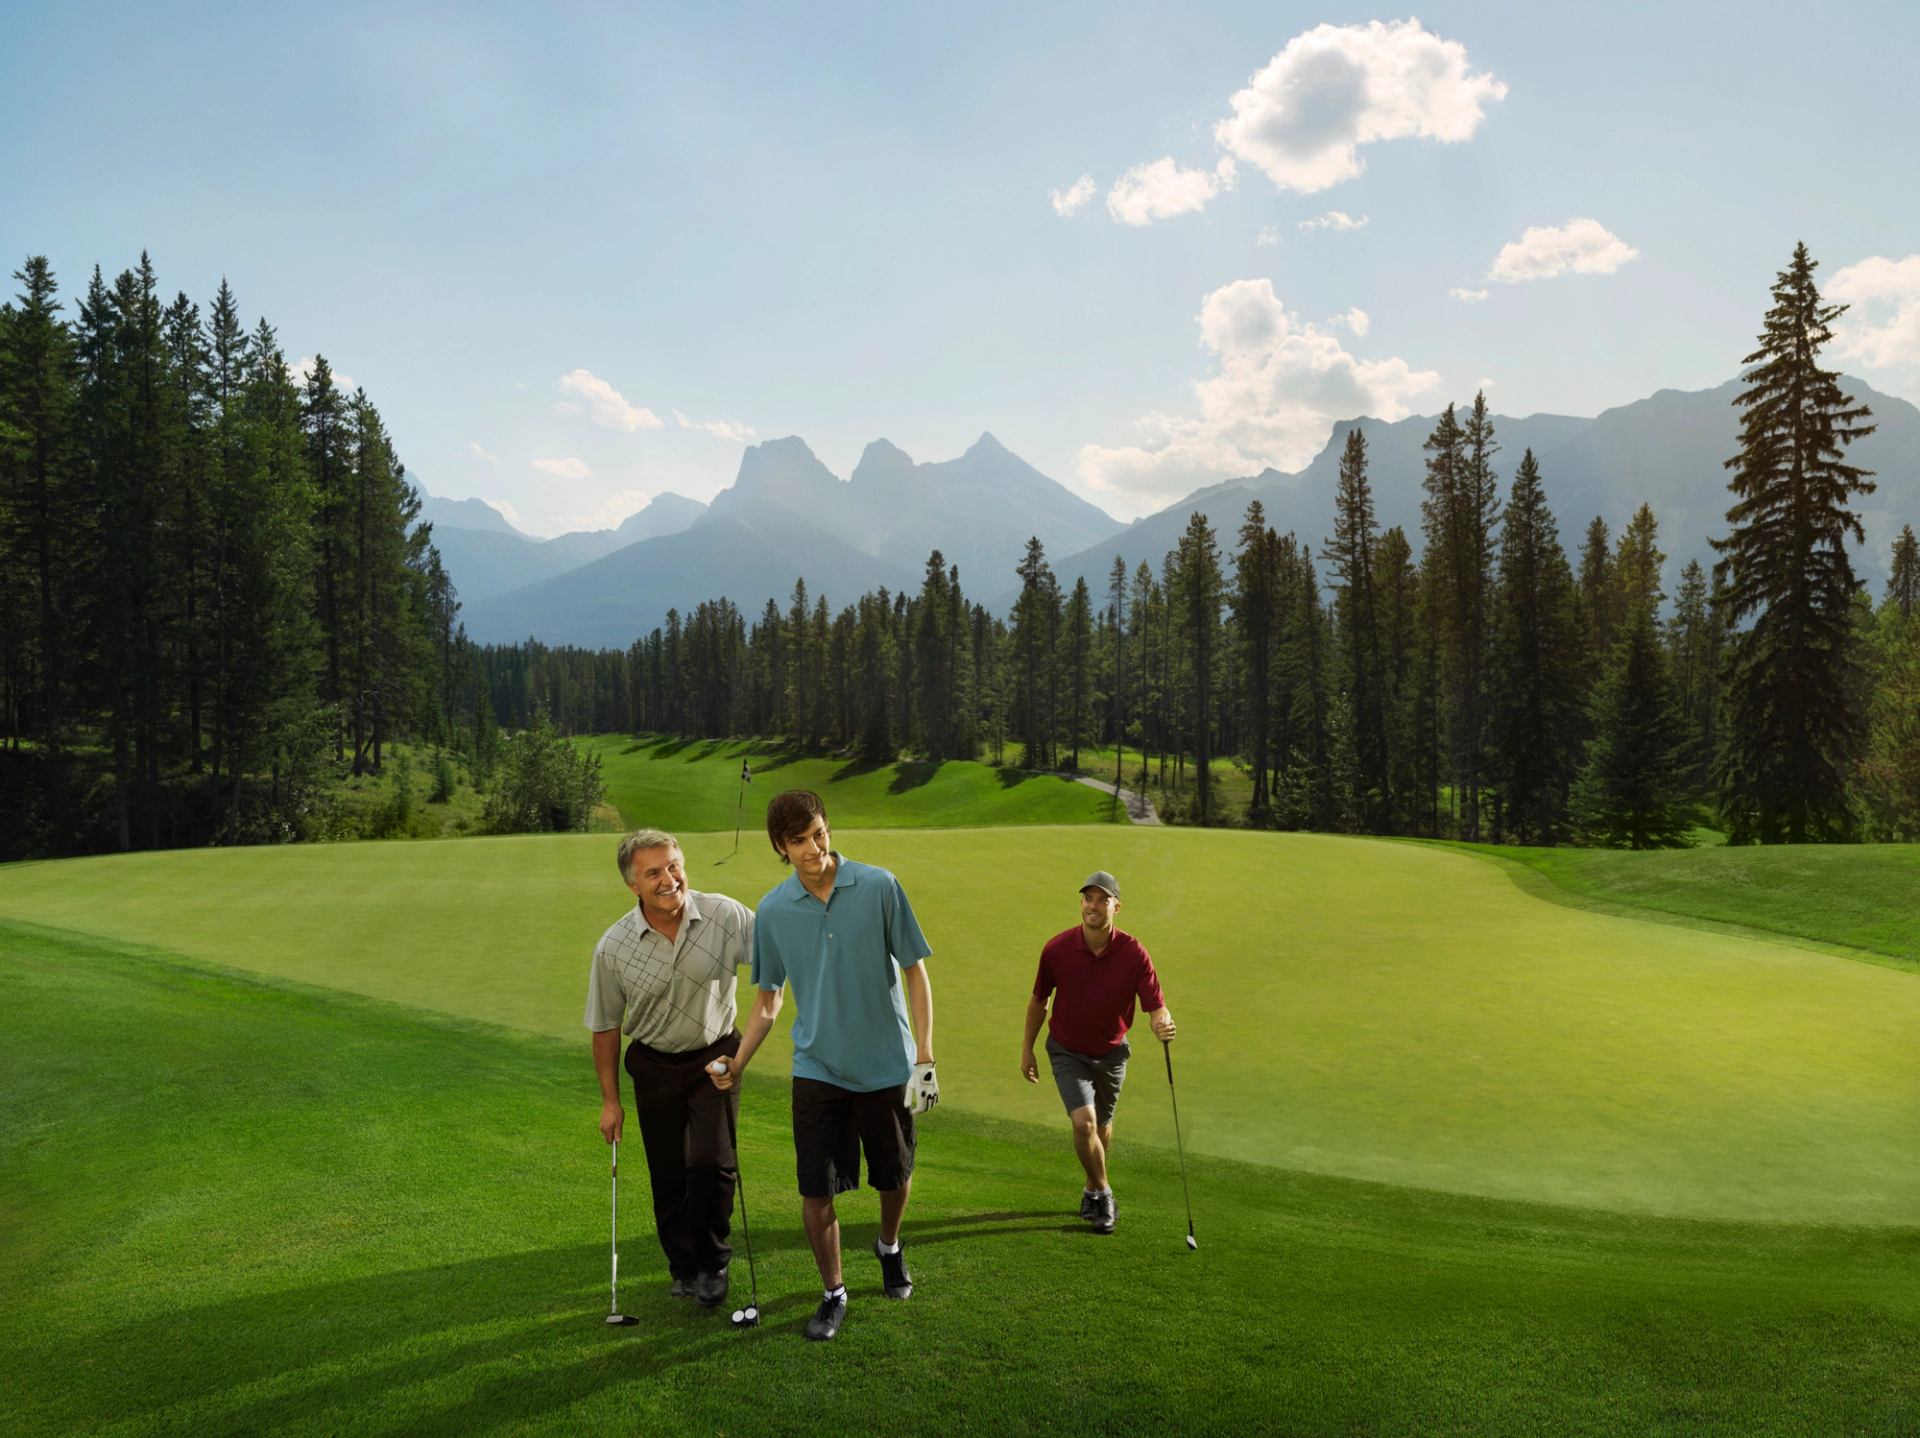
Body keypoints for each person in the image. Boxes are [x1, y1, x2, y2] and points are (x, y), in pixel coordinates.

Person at [709, 789, 937, 1342]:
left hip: (887, 1064)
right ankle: (833, 1292)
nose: (814, 848)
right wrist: (737, 1063)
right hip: (817, 1068)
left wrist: (925, 1057)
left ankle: (888, 1244)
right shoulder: (774, 910)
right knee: (816, 1189)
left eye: (819, 833)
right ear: (780, 848)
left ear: (828, 827)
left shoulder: (879, 885)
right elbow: (767, 1000)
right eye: (799, 841)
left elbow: (914, 970)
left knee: (895, 1177)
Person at [585, 828, 755, 1308]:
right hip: (654, 1066)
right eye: (653, 872)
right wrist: (610, 1101)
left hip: (715, 1058)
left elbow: (778, 955)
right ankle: (682, 1265)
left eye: (674, 865)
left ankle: (714, 1262)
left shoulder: (724, 914)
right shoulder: (613, 947)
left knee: (711, 1163)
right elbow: (604, 1027)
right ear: (633, 885)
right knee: (669, 1172)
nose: (669, 879)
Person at [1020, 870, 1174, 1234]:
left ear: (1115, 907)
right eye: (1087, 898)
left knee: (1101, 1128)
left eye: (1101, 900)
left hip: (1111, 1053)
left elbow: (1157, 1007)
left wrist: (1163, 1024)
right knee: (1083, 1122)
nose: (1092, 905)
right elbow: (1040, 1001)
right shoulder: (1057, 949)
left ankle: (1090, 1189)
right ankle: (1104, 1195)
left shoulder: (1134, 953)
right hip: (1067, 1051)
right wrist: (1027, 1049)